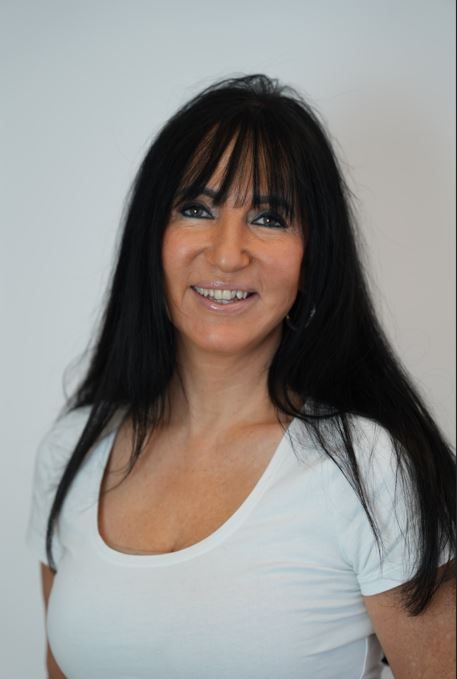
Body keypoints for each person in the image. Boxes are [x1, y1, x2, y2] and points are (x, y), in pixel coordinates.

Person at [26, 74, 455, 679]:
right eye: (196, 209)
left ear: (313, 257)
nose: (228, 254)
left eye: (270, 217)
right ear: (152, 238)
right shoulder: (73, 449)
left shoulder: (371, 470)